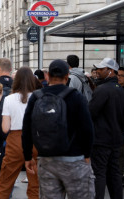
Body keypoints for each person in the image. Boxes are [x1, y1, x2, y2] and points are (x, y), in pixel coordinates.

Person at [22, 59, 95, 199]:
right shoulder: (76, 96)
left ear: (48, 75)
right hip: (75, 159)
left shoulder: (37, 97)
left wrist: (27, 156)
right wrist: (87, 154)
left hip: (46, 160)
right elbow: (87, 128)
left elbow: (27, 129)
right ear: (67, 76)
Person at [0, 67, 39, 199]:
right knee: (35, 186)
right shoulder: (38, 97)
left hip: (15, 141)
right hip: (35, 140)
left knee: (4, 184)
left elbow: (5, 128)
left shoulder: (9, 99)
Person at [89, 57, 124, 199]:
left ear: (111, 71)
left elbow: (90, 113)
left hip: (101, 140)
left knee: (99, 174)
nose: (97, 71)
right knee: (114, 174)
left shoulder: (102, 90)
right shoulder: (120, 90)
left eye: (101, 69)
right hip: (116, 139)